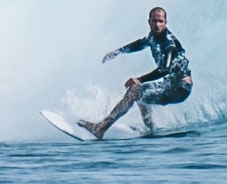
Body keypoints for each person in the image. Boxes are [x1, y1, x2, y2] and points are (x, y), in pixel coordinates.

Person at [81, 8, 193, 139]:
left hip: (180, 88)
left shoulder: (169, 43)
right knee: (142, 95)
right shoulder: (152, 36)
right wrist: (118, 52)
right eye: (154, 21)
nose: (157, 24)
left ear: (166, 22)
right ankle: (151, 130)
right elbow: (140, 43)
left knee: (136, 91)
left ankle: (100, 128)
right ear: (149, 22)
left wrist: (139, 79)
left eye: (160, 21)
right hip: (171, 83)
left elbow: (165, 69)